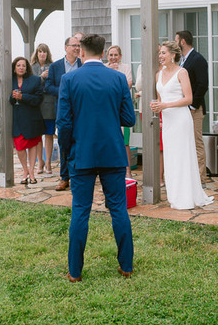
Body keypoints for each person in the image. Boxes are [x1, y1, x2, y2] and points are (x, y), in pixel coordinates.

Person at [57, 33, 136, 282]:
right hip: (113, 152)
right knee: (119, 210)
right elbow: (129, 119)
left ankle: (75, 271)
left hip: (82, 153)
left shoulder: (69, 79)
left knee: (80, 210)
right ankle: (126, 266)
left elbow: (63, 123)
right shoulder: (118, 78)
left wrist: (68, 151)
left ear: (81, 52)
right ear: (102, 53)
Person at [151, 41, 214, 210]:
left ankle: (187, 196)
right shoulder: (158, 74)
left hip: (181, 119)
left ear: (173, 55)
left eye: (164, 53)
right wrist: (158, 106)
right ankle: (174, 195)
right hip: (168, 121)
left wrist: (165, 106)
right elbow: (160, 98)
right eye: (160, 53)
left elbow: (188, 99)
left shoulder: (182, 72)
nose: (161, 56)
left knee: (182, 157)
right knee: (170, 157)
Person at [46, 36, 82, 191]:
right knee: (64, 143)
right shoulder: (55, 66)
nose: (77, 48)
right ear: (66, 47)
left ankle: (80, 176)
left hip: (81, 111)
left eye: (78, 46)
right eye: (74, 45)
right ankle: (64, 177)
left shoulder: (83, 65)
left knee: (80, 143)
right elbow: (48, 87)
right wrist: (64, 91)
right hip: (63, 113)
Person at [175, 30, 209, 181]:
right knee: (185, 142)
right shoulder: (181, 60)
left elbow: (203, 84)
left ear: (182, 41)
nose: (175, 43)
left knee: (196, 142)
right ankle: (188, 174)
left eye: (176, 40)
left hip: (195, 108)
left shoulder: (198, 59)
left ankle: (201, 176)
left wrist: (192, 105)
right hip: (183, 108)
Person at [10, 56, 45, 185]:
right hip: (17, 118)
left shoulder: (35, 80)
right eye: (18, 65)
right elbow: (8, 99)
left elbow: (38, 99)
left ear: (27, 68)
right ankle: (25, 170)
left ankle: (31, 172)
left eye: (23, 65)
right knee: (19, 146)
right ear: (14, 68)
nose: (21, 68)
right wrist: (13, 97)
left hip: (31, 118)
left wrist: (23, 96)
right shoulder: (10, 80)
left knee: (32, 145)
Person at [105, 45, 134, 177]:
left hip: (122, 108)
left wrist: (114, 76)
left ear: (120, 56)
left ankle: (128, 171)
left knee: (125, 141)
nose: (113, 57)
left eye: (116, 55)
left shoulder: (125, 67)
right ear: (107, 56)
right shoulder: (104, 68)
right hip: (108, 108)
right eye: (111, 55)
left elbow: (128, 84)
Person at [31, 43, 55, 175]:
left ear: (47, 53)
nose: (42, 54)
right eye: (40, 52)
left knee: (49, 134)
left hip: (49, 104)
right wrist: (41, 78)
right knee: (37, 135)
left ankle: (49, 162)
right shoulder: (31, 67)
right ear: (37, 53)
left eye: (44, 52)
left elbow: (53, 84)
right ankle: (40, 161)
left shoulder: (53, 67)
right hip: (36, 106)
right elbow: (31, 84)